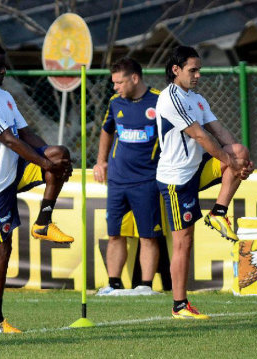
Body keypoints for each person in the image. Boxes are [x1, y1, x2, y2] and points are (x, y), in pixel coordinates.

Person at [0, 41, 73, 334]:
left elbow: (25, 133)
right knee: (2, 249)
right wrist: (46, 167)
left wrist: (52, 160)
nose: (3, 71)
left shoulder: (5, 96)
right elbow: (8, 139)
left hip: (15, 170)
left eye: (4, 65)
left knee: (59, 152)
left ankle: (44, 222)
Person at [156, 46, 253, 319]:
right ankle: (179, 305)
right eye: (192, 70)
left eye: (199, 70)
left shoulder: (196, 99)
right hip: (176, 178)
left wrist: (241, 160)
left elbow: (219, 131)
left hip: (195, 169)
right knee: (183, 241)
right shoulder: (170, 98)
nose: (198, 75)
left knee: (240, 151)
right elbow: (200, 136)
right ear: (176, 70)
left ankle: (218, 213)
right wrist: (229, 161)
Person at [93, 58, 161, 296]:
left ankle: (145, 286)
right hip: (117, 180)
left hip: (147, 180)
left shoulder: (159, 101)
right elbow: (106, 131)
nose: (115, 87)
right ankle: (113, 283)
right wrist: (101, 162)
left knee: (148, 235)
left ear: (135, 78)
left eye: (119, 82)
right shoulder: (115, 102)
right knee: (114, 233)